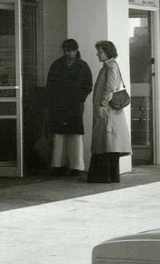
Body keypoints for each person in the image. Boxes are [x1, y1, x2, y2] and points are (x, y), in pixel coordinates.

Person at [44, 39, 92, 175]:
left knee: (73, 135)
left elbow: (88, 85)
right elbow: (50, 86)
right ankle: (61, 165)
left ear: (76, 50)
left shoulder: (80, 66)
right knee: (61, 135)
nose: (67, 53)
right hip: (61, 103)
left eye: (69, 50)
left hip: (73, 104)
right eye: (65, 51)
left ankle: (73, 166)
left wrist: (79, 98)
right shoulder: (77, 65)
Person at [89, 40, 131, 183]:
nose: (97, 54)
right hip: (109, 111)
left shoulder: (110, 66)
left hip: (108, 111)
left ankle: (103, 177)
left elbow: (110, 88)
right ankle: (111, 176)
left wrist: (102, 104)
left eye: (100, 51)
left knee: (106, 143)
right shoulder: (108, 66)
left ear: (107, 52)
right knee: (109, 144)